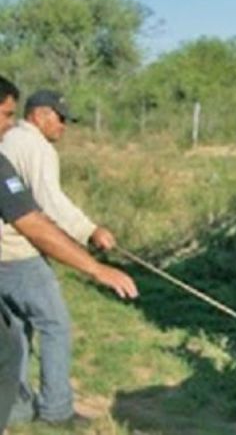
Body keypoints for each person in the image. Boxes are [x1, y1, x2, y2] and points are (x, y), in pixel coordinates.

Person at [0, 86, 137, 427]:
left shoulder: (10, 142)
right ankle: (56, 412)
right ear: (41, 115)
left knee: (15, 332)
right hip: (17, 251)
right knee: (54, 324)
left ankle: (15, 408)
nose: (64, 126)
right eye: (60, 119)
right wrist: (91, 235)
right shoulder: (33, 145)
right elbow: (44, 209)